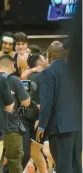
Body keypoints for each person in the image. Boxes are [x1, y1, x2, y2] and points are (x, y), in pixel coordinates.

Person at [36, 41, 82, 173]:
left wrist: (42, 125)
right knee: (76, 164)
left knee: (63, 166)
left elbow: (47, 102)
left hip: (60, 127)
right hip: (78, 126)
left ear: (49, 55)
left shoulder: (49, 72)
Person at [0, 55, 31, 173]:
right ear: (12, 65)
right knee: (15, 162)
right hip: (11, 127)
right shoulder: (14, 80)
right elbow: (26, 102)